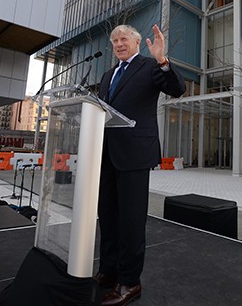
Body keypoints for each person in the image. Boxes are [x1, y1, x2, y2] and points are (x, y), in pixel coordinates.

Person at [95, 24, 186, 306]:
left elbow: (177, 89)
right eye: (115, 41)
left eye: (124, 39)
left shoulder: (149, 66)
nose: (119, 44)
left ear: (136, 42)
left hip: (134, 154)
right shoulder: (109, 74)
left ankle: (130, 281)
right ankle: (109, 271)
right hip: (106, 153)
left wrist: (162, 59)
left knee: (131, 220)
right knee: (108, 216)